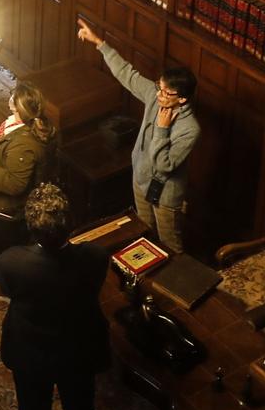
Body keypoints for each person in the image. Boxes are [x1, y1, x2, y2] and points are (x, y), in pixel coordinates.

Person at [0, 184, 110, 410]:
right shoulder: (95, 257)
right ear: (70, 223)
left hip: (32, 354)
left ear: (31, 225)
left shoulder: (10, 263)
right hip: (78, 351)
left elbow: (7, 290)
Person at [75, 17, 199, 252]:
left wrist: (162, 130)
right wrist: (100, 43)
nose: (159, 95)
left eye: (166, 93)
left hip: (165, 196)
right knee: (144, 235)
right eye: (159, 88)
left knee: (170, 246)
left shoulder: (190, 128)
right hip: (140, 180)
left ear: (181, 99)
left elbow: (164, 166)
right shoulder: (156, 96)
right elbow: (128, 75)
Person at [0, 85, 57, 294]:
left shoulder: (24, 145)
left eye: (12, 98)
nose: (8, 99)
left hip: (6, 210)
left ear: (19, 108)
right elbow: (9, 150)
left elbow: (16, 184)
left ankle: (7, 288)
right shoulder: (19, 126)